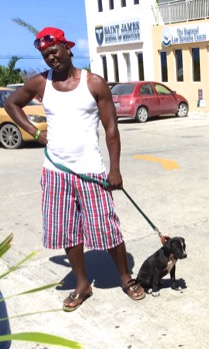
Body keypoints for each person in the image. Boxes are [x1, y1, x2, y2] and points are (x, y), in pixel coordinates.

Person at [5, 27, 146, 310]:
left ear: (67, 48)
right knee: (68, 233)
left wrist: (114, 169)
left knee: (107, 229)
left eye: (54, 50)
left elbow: (111, 128)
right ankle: (82, 285)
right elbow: (12, 103)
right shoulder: (40, 84)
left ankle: (126, 278)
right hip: (55, 172)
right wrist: (34, 132)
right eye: (45, 54)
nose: (50, 57)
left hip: (91, 171)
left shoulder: (93, 83)